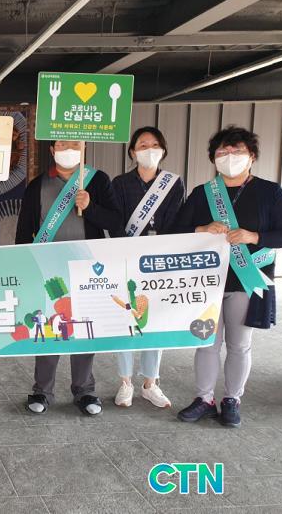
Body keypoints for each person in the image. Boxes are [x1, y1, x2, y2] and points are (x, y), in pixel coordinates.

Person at [174, 126, 282, 428]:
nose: (230, 156)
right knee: (206, 343)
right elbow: (175, 231)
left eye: (237, 151)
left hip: (246, 281)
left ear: (252, 156)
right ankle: (204, 399)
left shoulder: (270, 193)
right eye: (223, 151)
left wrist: (254, 236)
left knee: (239, 344)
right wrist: (201, 229)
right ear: (214, 158)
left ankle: (232, 399)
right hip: (206, 282)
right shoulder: (202, 193)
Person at [16, 140, 122, 416]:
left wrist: (90, 207)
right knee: (49, 327)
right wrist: (26, 268)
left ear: (83, 148)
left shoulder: (98, 180)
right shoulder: (37, 186)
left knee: (85, 329)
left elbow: (116, 223)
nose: (68, 149)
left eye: (74, 143)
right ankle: (42, 390)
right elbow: (23, 232)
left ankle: (84, 390)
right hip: (49, 269)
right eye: (62, 144)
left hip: (88, 269)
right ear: (52, 150)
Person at [110, 127, 185, 409]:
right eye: (142, 145)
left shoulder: (173, 183)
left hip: (158, 262)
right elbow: (116, 221)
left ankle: (150, 383)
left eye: (155, 144)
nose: (149, 149)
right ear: (132, 151)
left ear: (163, 150)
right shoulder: (120, 183)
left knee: (156, 320)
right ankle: (125, 382)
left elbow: (176, 221)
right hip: (126, 259)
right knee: (126, 318)